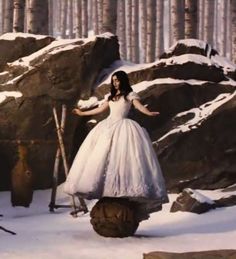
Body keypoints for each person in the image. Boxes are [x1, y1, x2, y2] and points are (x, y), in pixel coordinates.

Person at [64, 70, 168, 217]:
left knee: (123, 158)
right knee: (101, 157)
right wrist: (82, 113)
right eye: (113, 81)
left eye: (117, 80)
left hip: (123, 127)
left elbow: (138, 106)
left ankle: (121, 191)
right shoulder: (110, 96)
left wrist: (148, 113)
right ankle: (106, 191)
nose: (115, 83)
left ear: (123, 81)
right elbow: (100, 109)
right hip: (107, 127)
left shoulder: (130, 95)